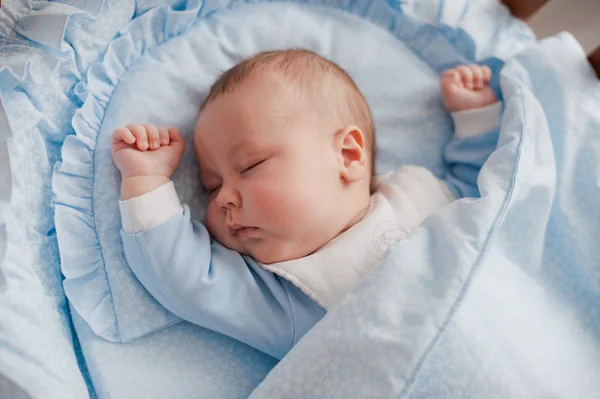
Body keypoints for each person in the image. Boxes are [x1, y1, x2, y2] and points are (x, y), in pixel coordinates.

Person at [111, 49, 501, 359]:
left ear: (347, 156)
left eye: (250, 165)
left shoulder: (417, 190)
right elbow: (186, 278)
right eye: (211, 188)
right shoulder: (289, 293)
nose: (224, 198)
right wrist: (146, 180)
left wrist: (476, 119)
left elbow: (491, 201)